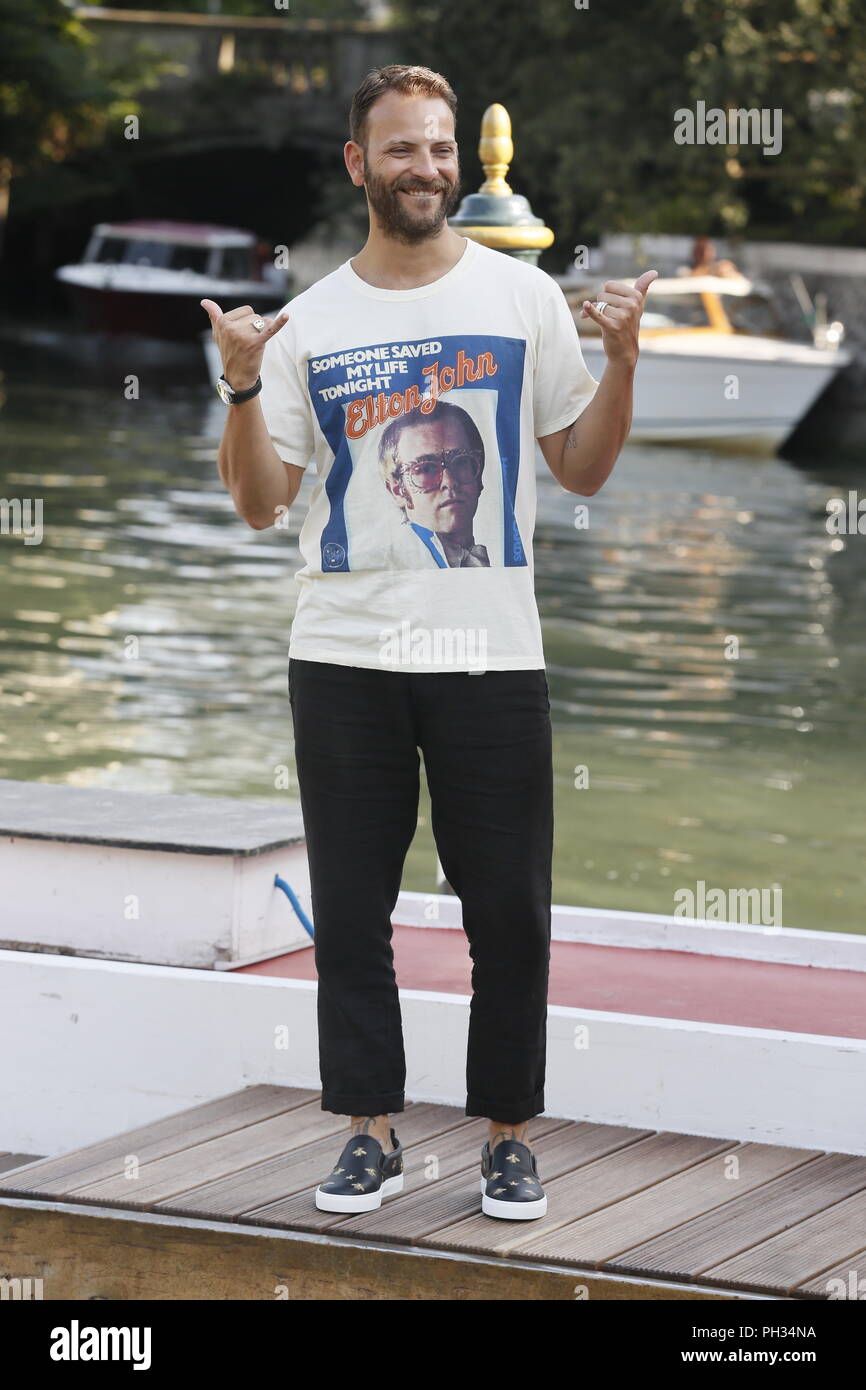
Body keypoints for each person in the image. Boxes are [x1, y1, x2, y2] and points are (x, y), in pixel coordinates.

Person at [202, 63, 657, 1222]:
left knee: (506, 905)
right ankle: (369, 1131)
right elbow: (260, 504)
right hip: (344, 653)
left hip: (490, 655)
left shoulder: (521, 301)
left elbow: (582, 469)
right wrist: (243, 387)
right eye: (401, 150)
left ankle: (507, 1134)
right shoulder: (311, 320)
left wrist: (623, 362)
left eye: (440, 149)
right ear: (360, 165)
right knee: (351, 909)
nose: (427, 169)